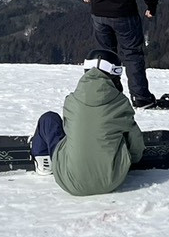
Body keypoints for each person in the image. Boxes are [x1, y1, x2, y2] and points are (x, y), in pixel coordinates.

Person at [29, 48, 145, 196]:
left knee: (49, 119)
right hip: (112, 181)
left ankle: (43, 161)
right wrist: (131, 159)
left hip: (69, 181)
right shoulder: (121, 103)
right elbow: (135, 143)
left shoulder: (71, 101)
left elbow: (70, 130)